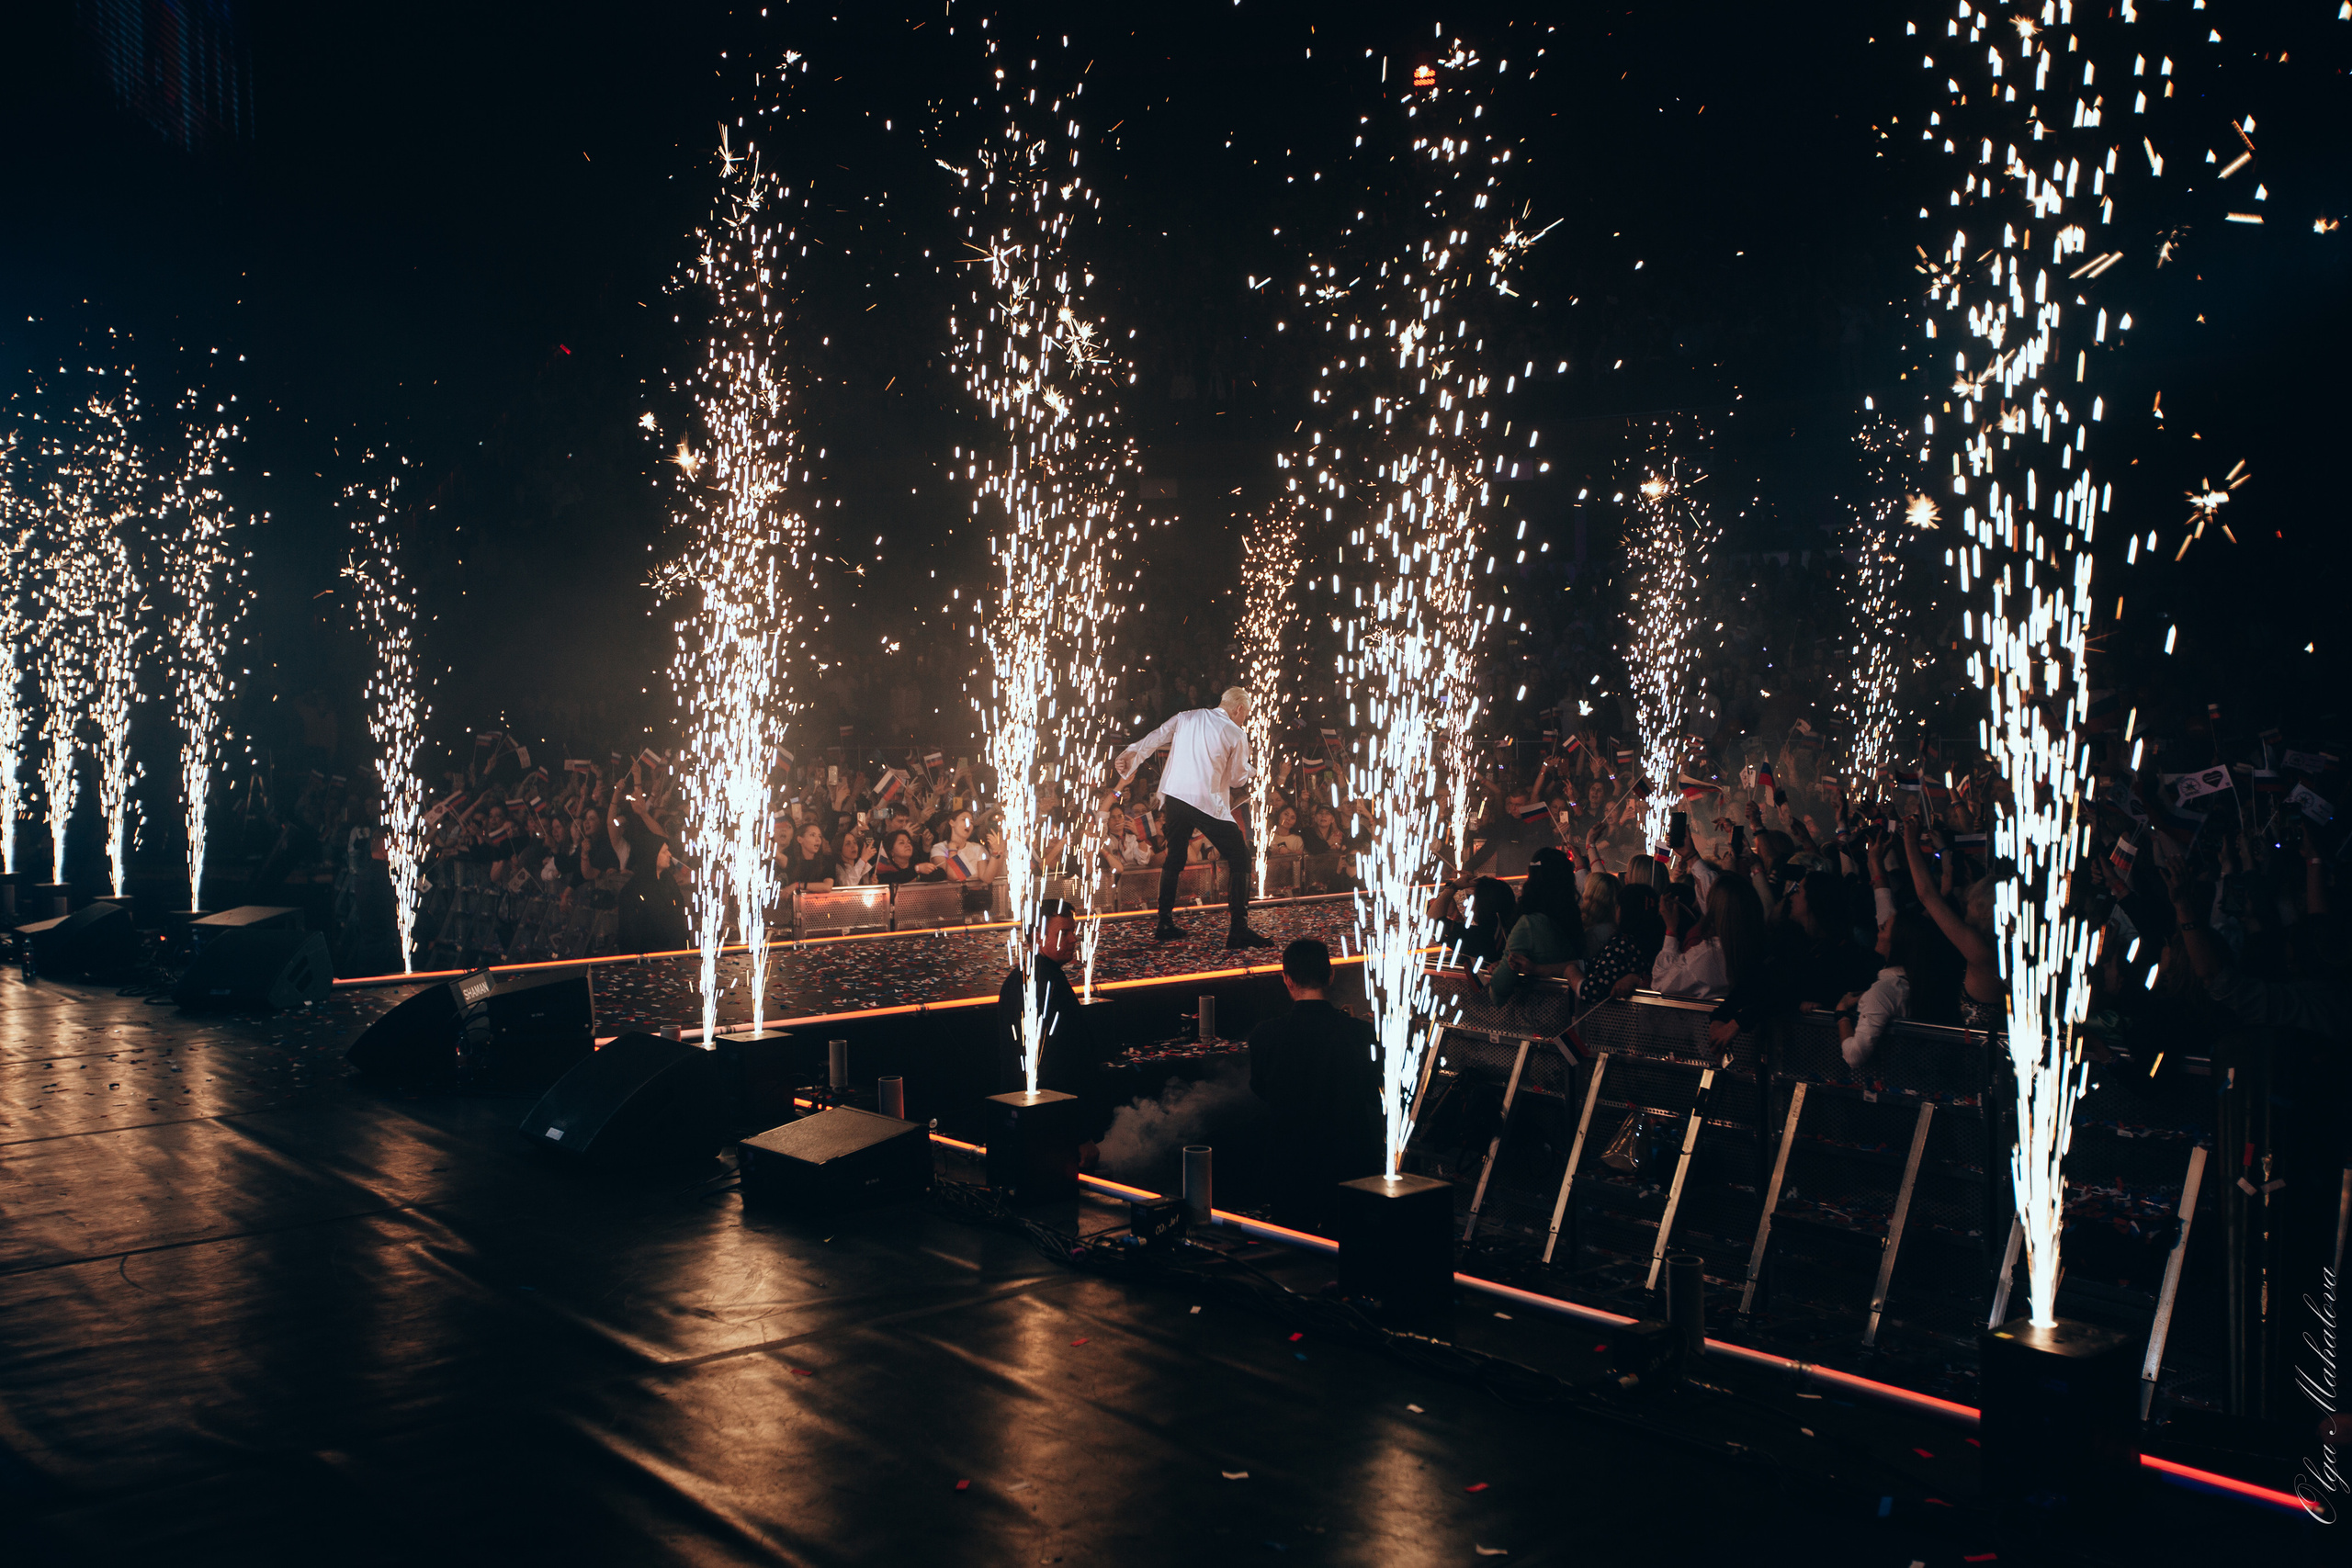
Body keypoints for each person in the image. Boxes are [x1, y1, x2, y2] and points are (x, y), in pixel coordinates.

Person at [1114, 685, 1272, 948]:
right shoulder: (1236, 733)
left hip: (1176, 797)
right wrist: (1250, 771)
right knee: (1240, 856)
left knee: (1175, 857)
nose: (1245, 719)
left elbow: (1157, 735)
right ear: (1239, 709)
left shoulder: (1188, 716)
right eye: (1246, 714)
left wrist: (1132, 754)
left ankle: (1164, 923)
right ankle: (1239, 929)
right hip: (1205, 801)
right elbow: (1235, 779)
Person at [1247, 939, 1385, 1233]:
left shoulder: (1265, 1035)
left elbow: (1261, 1090)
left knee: (1294, 1255)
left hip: (1290, 1166)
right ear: (1331, 975)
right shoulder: (1361, 1033)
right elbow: (1375, 1094)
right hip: (1350, 1168)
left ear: (1287, 979)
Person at [995, 898, 1108, 1164]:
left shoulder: (1020, 978)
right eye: (1064, 933)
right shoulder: (1047, 984)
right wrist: (1079, 1134)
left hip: (1028, 1117)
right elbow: (1056, 1063)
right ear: (1037, 936)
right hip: (1050, 1126)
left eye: (1073, 932)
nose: (1073, 940)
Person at [1487, 847, 1585, 1005]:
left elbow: (1499, 989)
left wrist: (1501, 972)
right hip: (1572, 1009)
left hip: (1538, 1014)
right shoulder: (1573, 916)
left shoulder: (1529, 925)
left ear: (1532, 879)